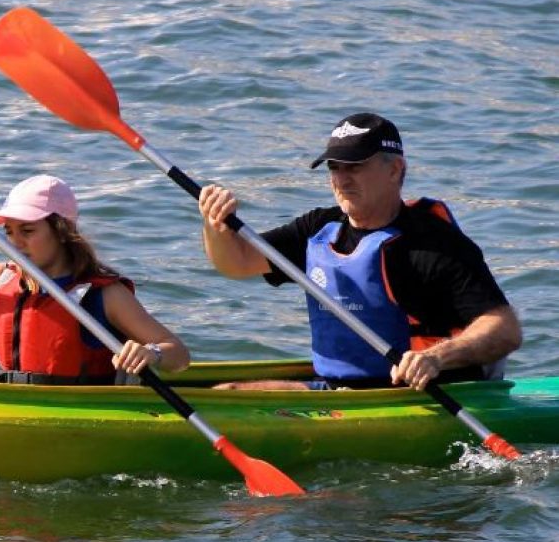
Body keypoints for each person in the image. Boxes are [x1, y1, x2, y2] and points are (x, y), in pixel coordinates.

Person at [198, 113, 521, 391]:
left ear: (394, 170)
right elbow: (237, 263)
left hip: (422, 393)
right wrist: (215, 225)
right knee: (228, 390)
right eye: (334, 168)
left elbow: (504, 329)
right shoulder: (319, 228)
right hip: (340, 389)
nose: (341, 179)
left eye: (354, 166)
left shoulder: (434, 245)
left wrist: (435, 358)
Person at [0, 174, 190, 385]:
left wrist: (151, 353)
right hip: (9, 403)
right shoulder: (3, 278)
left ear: (61, 230)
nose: (16, 242)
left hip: (78, 415)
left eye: (28, 230)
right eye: (10, 232)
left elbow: (178, 355)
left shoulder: (105, 295)